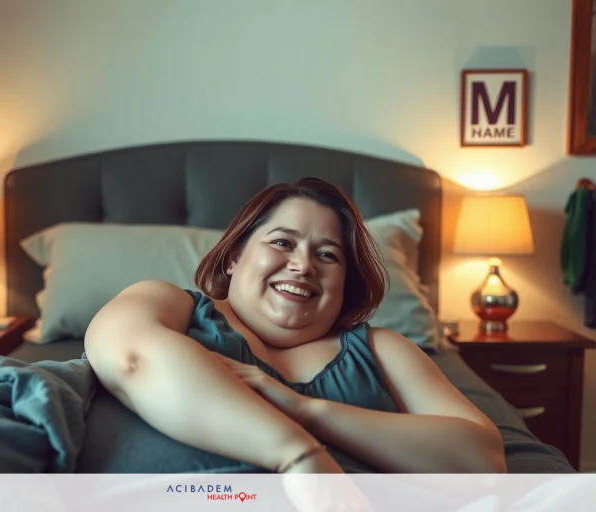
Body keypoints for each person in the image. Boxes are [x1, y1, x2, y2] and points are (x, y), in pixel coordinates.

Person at [84, 177, 507, 475]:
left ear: (345, 282)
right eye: (283, 243)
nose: (303, 265)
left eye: (327, 255)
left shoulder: (382, 349)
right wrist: (301, 457)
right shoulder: (168, 303)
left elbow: (483, 461)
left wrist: (306, 410)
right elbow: (130, 356)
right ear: (234, 256)